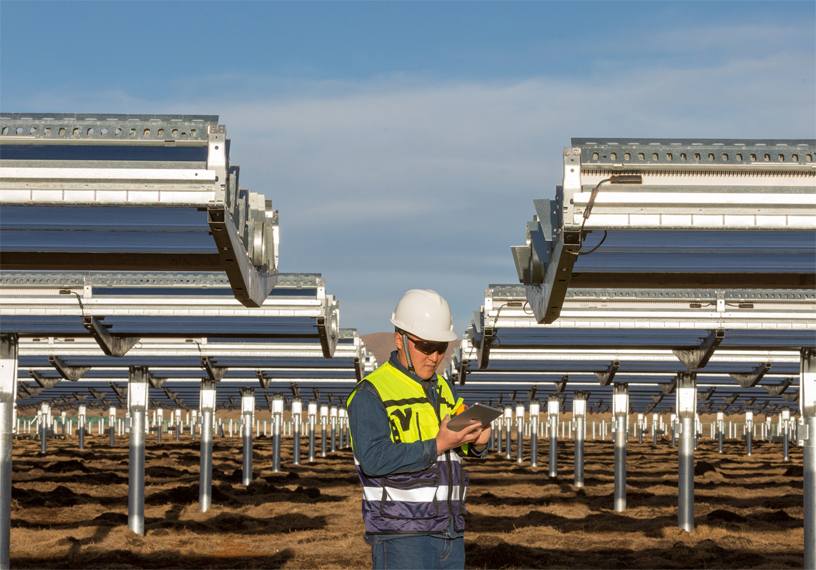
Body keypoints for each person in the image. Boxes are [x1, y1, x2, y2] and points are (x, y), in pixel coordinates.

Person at [347, 289, 491, 569]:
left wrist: (478, 444)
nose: (435, 357)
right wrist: (437, 444)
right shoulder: (371, 393)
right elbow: (374, 459)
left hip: (450, 532)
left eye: (441, 348)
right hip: (402, 537)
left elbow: (456, 446)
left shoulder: (445, 389)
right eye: (425, 346)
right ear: (399, 339)